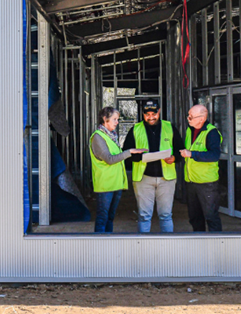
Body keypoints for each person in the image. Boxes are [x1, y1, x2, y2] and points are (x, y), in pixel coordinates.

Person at [123, 99, 183, 233]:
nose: (151, 117)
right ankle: (143, 249)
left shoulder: (170, 127)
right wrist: (139, 157)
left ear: (159, 111)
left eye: (154, 114)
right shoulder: (135, 129)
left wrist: (174, 158)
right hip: (144, 179)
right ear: (143, 114)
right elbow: (125, 154)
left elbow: (181, 150)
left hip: (166, 179)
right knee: (144, 216)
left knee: (166, 215)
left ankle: (167, 249)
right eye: (147, 114)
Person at [89, 107, 144, 233]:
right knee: (103, 218)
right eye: (114, 119)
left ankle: (108, 244)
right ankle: (100, 247)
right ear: (105, 119)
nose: (117, 122)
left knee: (110, 218)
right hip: (105, 185)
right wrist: (129, 152)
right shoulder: (98, 137)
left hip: (115, 184)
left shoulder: (111, 136)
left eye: (117, 119)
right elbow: (109, 159)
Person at [179, 104, 223, 232]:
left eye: (191, 117)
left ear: (202, 118)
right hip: (191, 181)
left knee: (211, 217)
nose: (188, 119)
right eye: (188, 116)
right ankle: (199, 244)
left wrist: (192, 154)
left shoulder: (211, 132)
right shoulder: (190, 130)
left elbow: (214, 155)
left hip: (206, 183)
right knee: (194, 217)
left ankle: (216, 246)